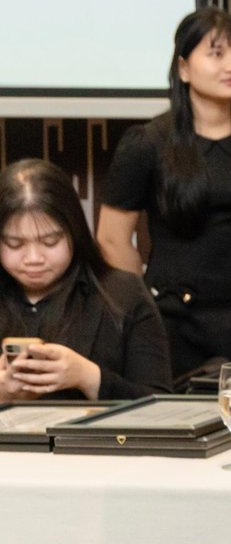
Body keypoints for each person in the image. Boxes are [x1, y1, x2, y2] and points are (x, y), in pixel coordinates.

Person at [97, 8, 231, 381]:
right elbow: (112, 238)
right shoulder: (147, 143)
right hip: (171, 320)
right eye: (217, 53)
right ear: (183, 68)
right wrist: (145, 304)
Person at [0, 159, 171, 401]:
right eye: (15, 244)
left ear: (75, 232)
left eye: (50, 242)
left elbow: (161, 405)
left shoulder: (123, 294)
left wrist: (88, 377)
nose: (34, 258)